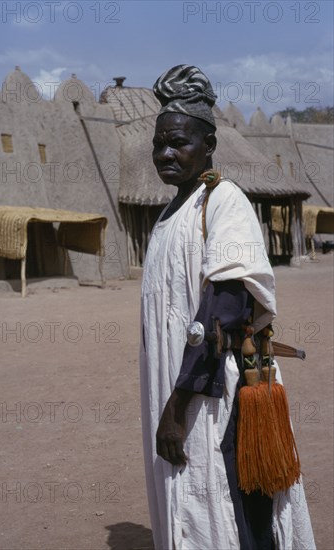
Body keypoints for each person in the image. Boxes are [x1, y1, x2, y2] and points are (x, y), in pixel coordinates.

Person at [140, 65, 315, 550]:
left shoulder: (224, 203)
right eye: (158, 144)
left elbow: (223, 311)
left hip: (215, 393)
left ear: (209, 145)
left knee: (234, 507)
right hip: (181, 388)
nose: (165, 153)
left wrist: (177, 404)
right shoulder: (169, 215)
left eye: (178, 142)